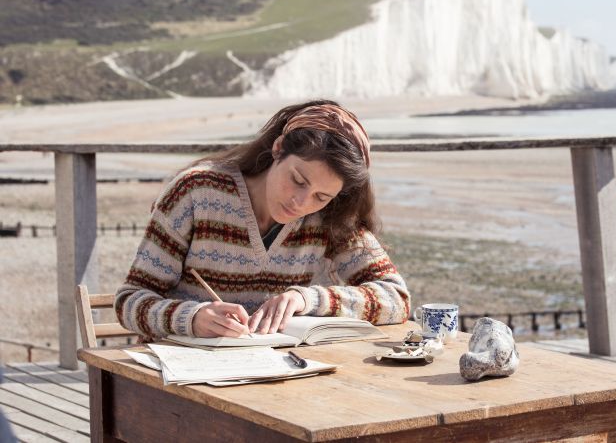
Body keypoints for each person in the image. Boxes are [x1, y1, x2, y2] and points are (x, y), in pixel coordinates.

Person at [115, 100, 409, 340]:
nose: (301, 202)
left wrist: (306, 299)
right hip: (181, 374)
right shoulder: (196, 192)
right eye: (297, 180)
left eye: (321, 196)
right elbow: (129, 302)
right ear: (278, 148)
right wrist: (191, 318)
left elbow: (397, 299)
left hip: (275, 373)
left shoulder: (332, 215)